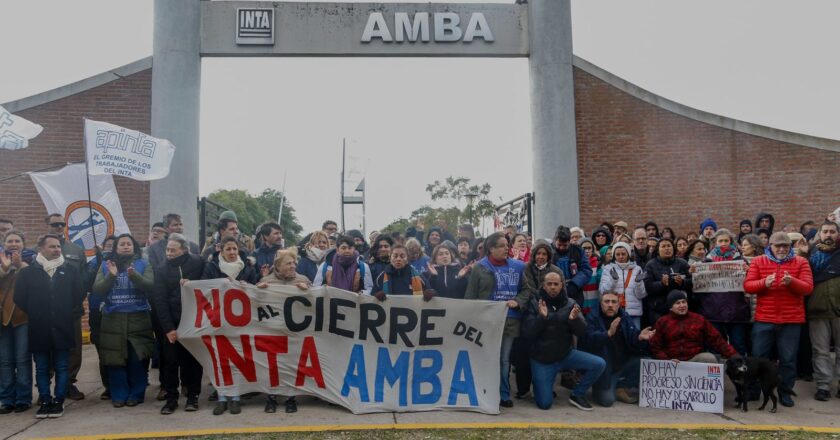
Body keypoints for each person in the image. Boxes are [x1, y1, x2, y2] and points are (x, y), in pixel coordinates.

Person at [14, 234, 85, 418]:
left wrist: (64, 311)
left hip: (63, 326)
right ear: (41, 249)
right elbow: (19, 298)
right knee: (42, 367)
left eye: (58, 247)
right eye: (52, 247)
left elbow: (78, 294)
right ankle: (45, 400)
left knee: (62, 366)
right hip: (39, 327)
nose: (56, 250)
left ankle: (58, 401)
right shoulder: (28, 272)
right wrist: (37, 312)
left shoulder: (70, 270)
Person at [744, 231, 813, 407]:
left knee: (788, 359)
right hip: (764, 319)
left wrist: (793, 282)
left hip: (791, 320)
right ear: (770, 246)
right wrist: (763, 283)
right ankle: (753, 391)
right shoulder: (759, 261)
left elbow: (807, 288)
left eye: (786, 246)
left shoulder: (801, 262)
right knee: (758, 358)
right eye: (778, 246)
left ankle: (785, 392)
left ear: (790, 246)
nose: (782, 249)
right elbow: (748, 286)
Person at [521, 272, 605, 410]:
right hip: (542, 359)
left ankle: (577, 394)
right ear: (543, 285)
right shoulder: (535, 303)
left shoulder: (571, 303)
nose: (552, 287)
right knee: (544, 404)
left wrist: (574, 320)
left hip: (565, 355)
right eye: (549, 284)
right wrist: (541, 318)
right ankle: (542, 384)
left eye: (556, 284)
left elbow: (582, 332)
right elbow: (527, 333)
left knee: (599, 364)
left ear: (562, 285)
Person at [464, 233, 528, 408]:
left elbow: (526, 290)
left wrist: (519, 301)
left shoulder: (518, 267)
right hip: (486, 321)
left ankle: (504, 394)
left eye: (507, 245)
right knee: (486, 357)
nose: (506, 248)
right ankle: (484, 391)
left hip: (509, 320)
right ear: (491, 248)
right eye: (501, 246)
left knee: (504, 359)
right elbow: (471, 295)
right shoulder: (479, 268)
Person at [92, 234, 155, 408]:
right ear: (116, 248)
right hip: (112, 320)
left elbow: (150, 286)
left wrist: (134, 276)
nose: (126, 246)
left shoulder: (143, 264)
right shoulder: (106, 265)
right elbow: (97, 289)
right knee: (115, 359)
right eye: (122, 244)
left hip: (138, 320)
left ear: (134, 247)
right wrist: (111, 276)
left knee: (137, 359)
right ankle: (119, 395)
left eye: (129, 244)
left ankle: (136, 394)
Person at [202, 236, 260, 415]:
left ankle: (235, 398)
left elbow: (257, 289)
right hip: (219, 320)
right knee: (220, 360)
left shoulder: (248, 268)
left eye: (235, 249)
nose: (232, 252)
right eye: (228, 249)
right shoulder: (212, 267)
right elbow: (203, 287)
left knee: (238, 360)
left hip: (242, 322)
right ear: (221, 251)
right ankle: (221, 397)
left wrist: (248, 286)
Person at [153, 233, 206, 415]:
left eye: (172, 250)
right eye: (167, 249)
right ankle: (171, 399)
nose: (168, 253)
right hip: (172, 324)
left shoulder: (198, 263)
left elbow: (209, 283)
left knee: (193, 362)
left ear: (184, 250)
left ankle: (193, 397)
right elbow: (160, 301)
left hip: (194, 322)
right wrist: (168, 328)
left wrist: (194, 284)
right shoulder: (161, 270)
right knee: (170, 362)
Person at [258, 249, 311, 413]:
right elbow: (253, 303)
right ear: (278, 266)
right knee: (272, 366)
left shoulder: (303, 280)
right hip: (273, 331)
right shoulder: (267, 281)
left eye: (294, 263)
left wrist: (308, 291)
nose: (293, 266)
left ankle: (290, 398)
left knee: (292, 365)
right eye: (288, 263)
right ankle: (271, 397)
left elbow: (316, 303)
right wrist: (258, 289)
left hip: (294, 333)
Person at [582, 291, 654, 406]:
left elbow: (633, 338)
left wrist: (639, 337)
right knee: (607, 401)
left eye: (613, 302)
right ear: (601, 304)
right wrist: (608, 334)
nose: (610, 305)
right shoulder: (592, 317)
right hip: (604, 371)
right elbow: (589, 342)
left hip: (622, 364)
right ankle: (610, 387)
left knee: (648, 362)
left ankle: (622, 386)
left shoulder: (624, 317)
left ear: (618, 304)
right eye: (606, 301)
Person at [44, 213, 86, 401]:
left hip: (71, 310)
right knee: (47, 347)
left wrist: (75, 302)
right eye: (55, 224)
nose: (59, 227)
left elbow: (83, 281)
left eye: (62, 224)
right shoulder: (39, 250)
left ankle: (69, 383)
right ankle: (46, 387)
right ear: (47, 225)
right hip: (46, 311)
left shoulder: (76, 250)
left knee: (74, 348)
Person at [696, 229, 750, 355]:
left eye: (726, 240)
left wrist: (748, 271)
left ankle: (741, 373)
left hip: (736, 311)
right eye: (720, 241)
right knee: (716, 346)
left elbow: (749, 284)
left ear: (731, 242)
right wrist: (694, 272)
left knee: (738, 345)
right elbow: (699, 286)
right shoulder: (705, 262)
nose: (723, 243)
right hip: (713, 311)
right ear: (715, 243)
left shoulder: (741, 261)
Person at [0, 231, 35, 413]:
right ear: (4, 243)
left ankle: (23, 398)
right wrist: (5, 269)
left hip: (23, 317)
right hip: (3, 318)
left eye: (17, 241)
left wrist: (19, 265)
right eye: (10, 241)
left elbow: (33, 283)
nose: (13, 244)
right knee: (5, 361)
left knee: (22, 360)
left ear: (23, 243)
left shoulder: (31, 259)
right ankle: (6, 399)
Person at [649, 290, 738, 363]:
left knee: (709, 358)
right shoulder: (662, 322)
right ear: (670, 308)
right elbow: (655, 346)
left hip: (694, 360)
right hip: (671, 362)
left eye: (684, 302)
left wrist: (734, 355)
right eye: (677, 303)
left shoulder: (698, 319)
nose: (682, 305)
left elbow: (716, 339)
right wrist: (666, 360)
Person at [805, 221, 840, 401]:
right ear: (820, 234)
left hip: (838, 310)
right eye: (825, 231)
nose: (828, 235)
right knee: (820, 351)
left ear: (837, 234)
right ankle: (823, 385)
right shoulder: (811, 255)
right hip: (817, 310)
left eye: (832, 232)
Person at [87, 235, 116, 400]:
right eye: (108, 245)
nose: (110, 248)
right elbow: (89, 283)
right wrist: (98, 260)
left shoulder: (124, 262)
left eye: (114, 245)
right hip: (97, 312)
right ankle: (108, 386)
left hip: (117, 310)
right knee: (103, 350)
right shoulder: (94, 262)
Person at [643, 238, 691, 327]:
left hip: (680, 308)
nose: (667, 248)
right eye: (663, 246)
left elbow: (693, 282)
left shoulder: (682, 263)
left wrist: (682, 282)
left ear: (673, 248)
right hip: (658, 309)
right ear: (658, 250)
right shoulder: (650, 265)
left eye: (669, 246)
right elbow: (647, 286)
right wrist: (661, 284)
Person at [599, 242, 647, 329]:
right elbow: (603, 291)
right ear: (614, 255)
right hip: (614, 311)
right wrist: (613, 280)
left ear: (628, 254)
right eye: (617, 254)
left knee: (634, 339)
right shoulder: (608, 268)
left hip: (633, 313)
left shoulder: (637, 269)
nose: (621, 257)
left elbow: (641, 295)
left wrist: (638, 282)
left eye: (623, 254)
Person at [552, 226, 592, 308]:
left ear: (569, 241)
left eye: (565, 245)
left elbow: (586, 270)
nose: (562, 248)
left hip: (575, 294)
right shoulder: (549, 251)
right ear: (554, 240)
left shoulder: (577, 251)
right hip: (553, 293)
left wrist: (575, 284)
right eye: (559, 245)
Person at [579, 238, 601, 315]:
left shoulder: (598, 264)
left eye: (589, 248)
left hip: (595, 305)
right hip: (581, 306)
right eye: (584, 248)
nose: (587, 251)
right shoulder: (576, 265)